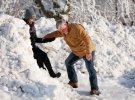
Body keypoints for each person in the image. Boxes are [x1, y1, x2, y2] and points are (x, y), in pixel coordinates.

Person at [43, 19, 101, 95]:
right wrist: (46, 37)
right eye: (61, 30)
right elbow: (56, 33)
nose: (62, 31)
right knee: (68, 62)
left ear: (66, 24)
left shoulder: (76, 28)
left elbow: (87, 39)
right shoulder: (63, 31)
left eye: (63, 29)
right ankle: (73, 82)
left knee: (90, 67)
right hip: (76, 52)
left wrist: (88, 52)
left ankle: (94, 88)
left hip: (86, 50)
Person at [23, 9, 61, 78]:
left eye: (34, 18)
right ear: (27, 18)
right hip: (27, 50)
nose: (33, 20)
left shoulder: (32, 26)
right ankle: (50, 74)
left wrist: (48, 39)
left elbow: (35, 39)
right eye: (31, 18)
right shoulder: (24, 26)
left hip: (33, 47)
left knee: (43, 55)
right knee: (42, 55)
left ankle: (43, 72)